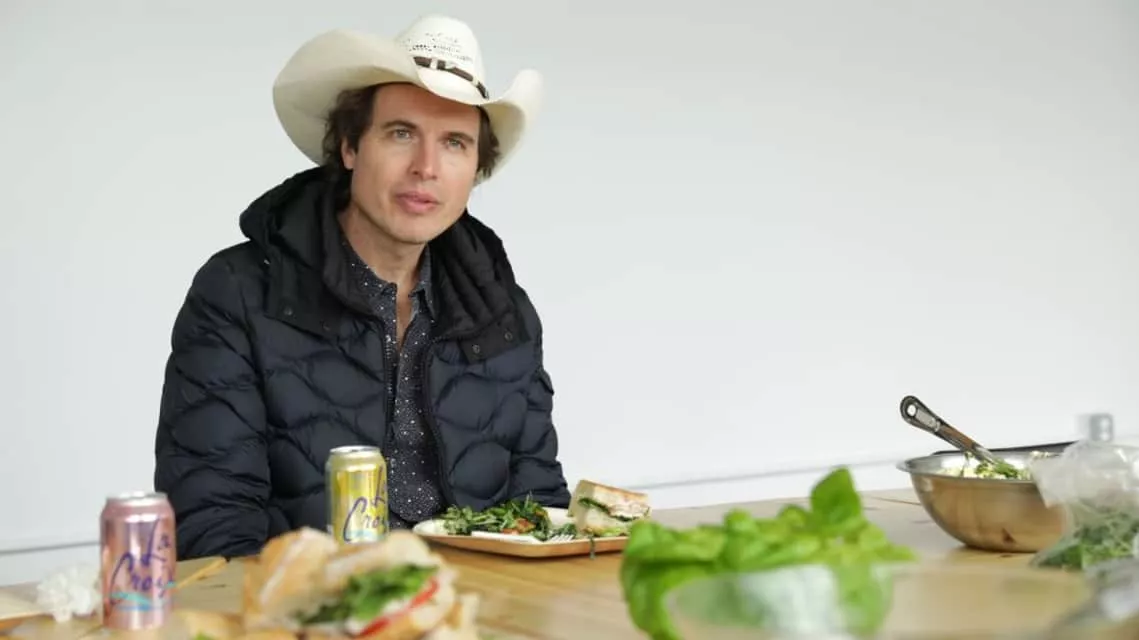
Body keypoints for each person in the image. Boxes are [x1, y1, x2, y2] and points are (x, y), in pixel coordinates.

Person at [153, 14, 570, 559]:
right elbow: (212, 529)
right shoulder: (238, 294)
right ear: (350, 146)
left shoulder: (506, 313)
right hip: (307, 601)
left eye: (454, 143)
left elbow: (539, 513)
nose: (426, 167)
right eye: (401, 133)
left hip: (474, 601)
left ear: (475, 168)